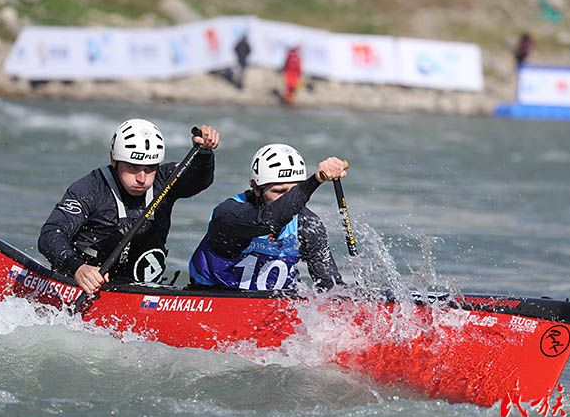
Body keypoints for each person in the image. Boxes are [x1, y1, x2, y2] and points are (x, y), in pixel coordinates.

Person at [38, 119, 220, 294]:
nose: (142, 178)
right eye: (133, 167)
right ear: (114, 160)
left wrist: (204, 153)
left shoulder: (166, 180)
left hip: (143, 290)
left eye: (150, 168)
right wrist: (77, 268)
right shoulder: (90, 189)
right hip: (88, 286)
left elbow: (199, 180)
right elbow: (50, 234)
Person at [189, 143, 346, 292]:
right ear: (256, 188)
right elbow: (269, 220)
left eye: (293, 191)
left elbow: (330, 287)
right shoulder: (228, 214)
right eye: (279, 191)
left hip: (273, 305)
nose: (288, 199)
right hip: (213, 298)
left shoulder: (308, 225)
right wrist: (316, 180)